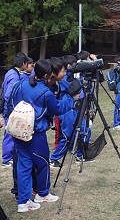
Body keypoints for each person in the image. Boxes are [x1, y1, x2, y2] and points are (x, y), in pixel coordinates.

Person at [9, 59, 77, 212]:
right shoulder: (46, 93)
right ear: (47, 75)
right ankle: (42, 193)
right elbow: (58, 108)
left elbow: (11, 101)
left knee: (24, 164)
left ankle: (24, 200)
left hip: (18, 130)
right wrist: (71, 98)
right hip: (35, 133)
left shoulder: (20, 84)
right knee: (42, 163)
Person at [1, 52, 29, 168]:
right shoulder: (14, 76)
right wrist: (11, 108)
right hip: (10, 109)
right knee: (9, 133)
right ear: (23, 63)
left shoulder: (11, 73)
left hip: (8, 108)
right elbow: (8, 94)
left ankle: (9, 156)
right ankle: (6, 159)